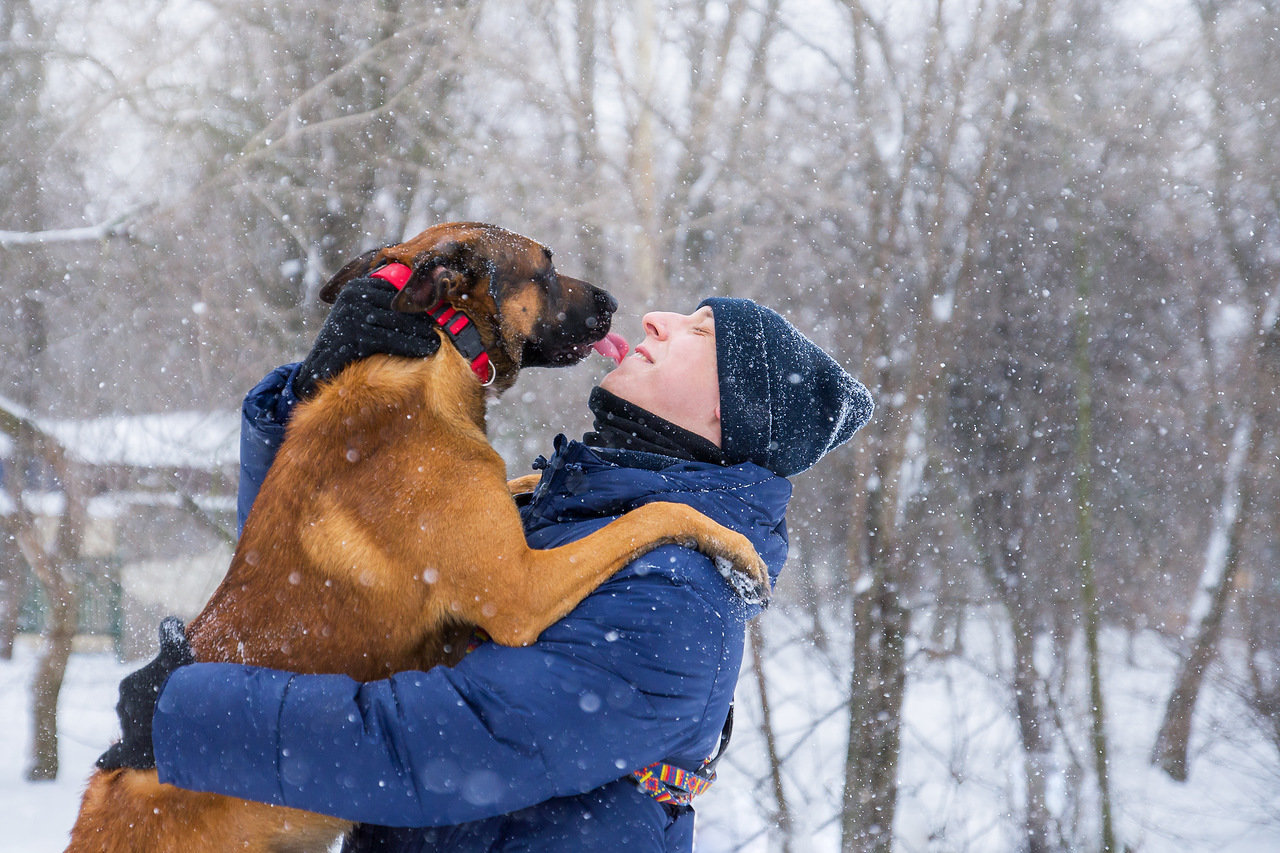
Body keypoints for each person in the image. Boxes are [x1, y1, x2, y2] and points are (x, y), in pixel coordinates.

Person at [98, 276, 873, 852]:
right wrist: (318, 393)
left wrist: (187, 712)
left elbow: (431, 749)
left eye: (699, 333)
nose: (657, 319)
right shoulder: (552, 513)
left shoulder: (680, 597)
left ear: (725, 412)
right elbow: (324, 588)